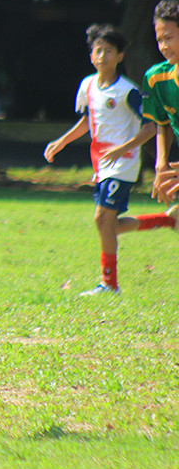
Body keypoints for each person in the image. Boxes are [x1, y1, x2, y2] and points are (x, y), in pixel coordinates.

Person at [44, 24, 174, 296]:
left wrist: (121, 148)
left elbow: (151, 126)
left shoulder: (128, 91)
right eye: (97, 50)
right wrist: (61, 141)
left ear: (120, 56)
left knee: (102, 219)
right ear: (91, 55)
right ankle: (167, 221)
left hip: (123, 162)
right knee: (108, 225)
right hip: (101, 163)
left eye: (108, 51)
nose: (102, 56)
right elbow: (87, 121)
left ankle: (109, 284)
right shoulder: (87, 85)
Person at [142, 1, 179, 203]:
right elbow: (163, 122)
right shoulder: (156, 78)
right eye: (159, 40)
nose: (163, 46)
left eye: (169, 38)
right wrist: (161, 163)